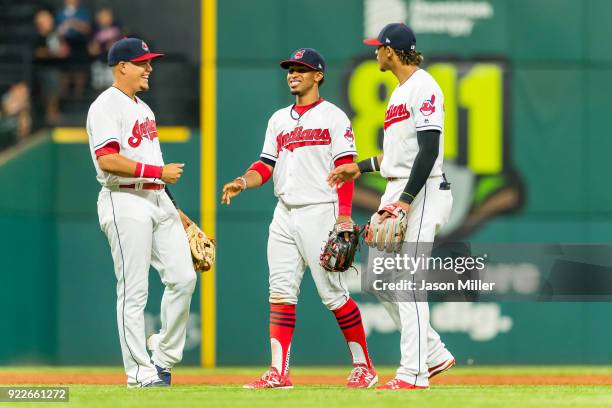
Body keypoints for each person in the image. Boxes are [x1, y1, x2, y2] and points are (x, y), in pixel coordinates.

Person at [221, 48, 377, 389]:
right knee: (280, 292)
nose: (293, 74)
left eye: (301, 69)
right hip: (284, 213)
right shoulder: (278, 119)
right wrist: (243, 182)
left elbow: (346, 169)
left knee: (333, 295)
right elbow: (265, 165)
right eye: (290, 69)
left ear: (318, 75)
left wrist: (346, 216)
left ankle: (364, 366)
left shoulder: (334, 117)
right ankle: (278, 372)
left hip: (321, 210)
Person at [327, 23, 455, 390]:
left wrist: (405, 201)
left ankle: (413, 375)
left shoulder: (424, 87)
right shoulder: (399, 93)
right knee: (380, 280)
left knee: (409, 284)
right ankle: (433, 353)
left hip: (423, 192)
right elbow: (399, 157)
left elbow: (429, 152)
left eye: (378, 48)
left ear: (391, 51)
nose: (375, 53)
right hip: (398, 188)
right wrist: (359, 167)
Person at [86, 38, 197, 388]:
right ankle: (140, 374)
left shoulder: (144, 109)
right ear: (122, 67)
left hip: (157, 199)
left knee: (184, 278)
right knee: (133, 291)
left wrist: (178, 213)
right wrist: (156, 175)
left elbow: (157, 169)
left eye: (149, 62)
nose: (149, 67)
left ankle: (162, 356)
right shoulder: (105, 106)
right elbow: (108, 160)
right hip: (124, 200)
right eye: (142, 62)